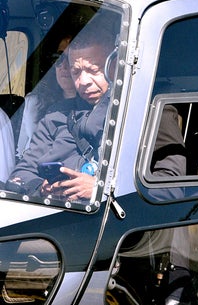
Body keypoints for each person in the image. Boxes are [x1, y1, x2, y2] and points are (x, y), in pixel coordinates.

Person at [6, 26, 116, 200]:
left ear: (115, 65)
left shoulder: (136, 113)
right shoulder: (55, 115)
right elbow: (21, 173)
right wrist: (42, 188)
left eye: (94, 70)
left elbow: (169, 185)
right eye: (76, 72)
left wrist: (101, 189)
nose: (83, 81)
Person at [16, 35, 77, 158]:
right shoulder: (33, 102)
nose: (64, 66)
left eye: (70, 59)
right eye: (58, 58)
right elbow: (20, 150)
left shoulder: (91, 109)